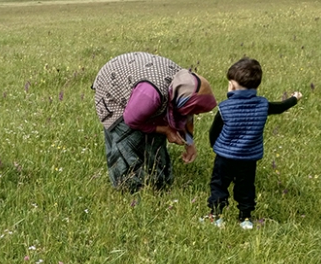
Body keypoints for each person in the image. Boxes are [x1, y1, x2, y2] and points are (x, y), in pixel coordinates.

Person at [92, 52, 217, 192]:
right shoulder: (151, 94)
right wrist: (165, 130)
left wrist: (189, 143)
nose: (198, 113)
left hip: (141, 88)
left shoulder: (184, 87)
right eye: (196, 110)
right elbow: (132, 121)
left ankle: (158, 183)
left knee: (154, 140)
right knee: (128, 139)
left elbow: (186, 113)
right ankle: (129, 188)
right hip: (113, 88)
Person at [206, 57, 302, 229]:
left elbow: (214, 132)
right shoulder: (263, 105)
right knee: (245, 187)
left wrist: (215, 146)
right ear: (257, 87)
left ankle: (216, 216)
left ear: (232, 86)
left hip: (225, 157)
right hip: (248, 159)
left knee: (219, 184)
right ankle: (245, 218)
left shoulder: (225, 107)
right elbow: (280, 107)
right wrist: (294, 99)